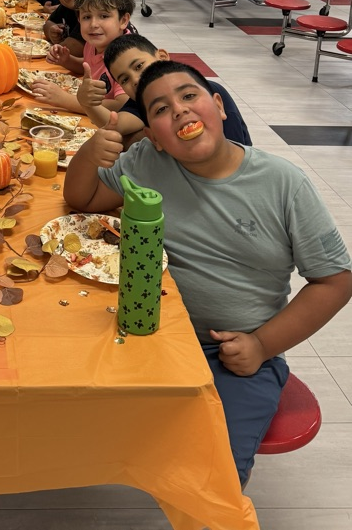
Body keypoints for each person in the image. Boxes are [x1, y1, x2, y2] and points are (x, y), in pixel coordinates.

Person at [64, 59, 352, 487]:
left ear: (218, 107)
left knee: (215, 474)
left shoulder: (282, 183)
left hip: (233, 353)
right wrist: (91, 152)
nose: (178, 110)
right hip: (147, 331)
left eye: (188, 96)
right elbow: (83, 198)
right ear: (154, 138)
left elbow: (336, 279)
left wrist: (261, 344)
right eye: (159, 110)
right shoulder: (148, 162)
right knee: (64, 407)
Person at [78, 33, 252, 149]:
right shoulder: (142, 101)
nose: (136, 80)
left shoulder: (207, 92)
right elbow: (116, 125)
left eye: (139, 66)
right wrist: (88, 104)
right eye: (125, 79)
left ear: (161, 56)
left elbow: (235, 151)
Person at [34, 0, 132, 114]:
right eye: (87, 17)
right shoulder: (93, 43)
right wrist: (67, 60)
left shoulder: (127, 57)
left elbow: (122, 106)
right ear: (79, 20)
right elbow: (89, 67)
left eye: (104, 16)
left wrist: (64, 100)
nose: (93, 24)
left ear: (123, 21)